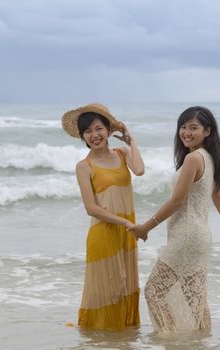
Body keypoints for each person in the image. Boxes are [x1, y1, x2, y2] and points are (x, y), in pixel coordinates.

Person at [130, 106, 220, 334]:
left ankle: (172, 341)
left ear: (207, 131)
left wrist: (145, 227)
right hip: (200, 238)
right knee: (196, 301)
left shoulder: (193, 159)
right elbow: (219, 201)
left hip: (187, 237)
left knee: (154, 291)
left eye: (193, 128)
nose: (186, 132)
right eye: (183, 127)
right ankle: (198, 341)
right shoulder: (211, 158)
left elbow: (177, 201)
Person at [62, 103, 145, 330]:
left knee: (125, 284)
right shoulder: (84, 166)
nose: (94, 135)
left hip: (126, 232)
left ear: (108, 130)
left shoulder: (123, 153)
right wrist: (126, 222)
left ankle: (121, 339)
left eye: (98, 128)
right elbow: (92, 208)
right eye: (87, 132)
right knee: (108, 289)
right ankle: (100, 338)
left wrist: (132, 141)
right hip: (105, 232)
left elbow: (139, 170)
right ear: (83, 137)